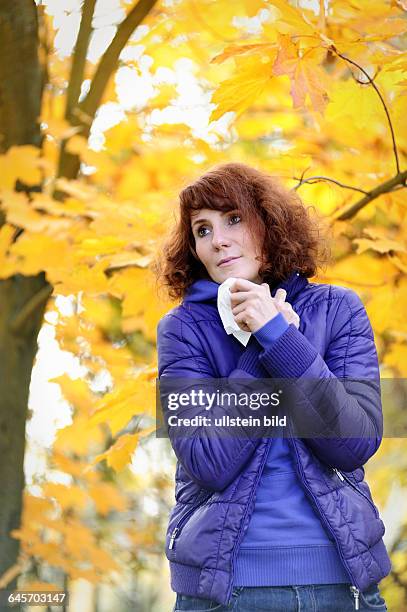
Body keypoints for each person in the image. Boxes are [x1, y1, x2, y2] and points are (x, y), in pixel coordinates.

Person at [154, 162, 391, 611]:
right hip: (225, 591)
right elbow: (209, 461)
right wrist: (266, 343)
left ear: (270, 222)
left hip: (339, 585)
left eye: (234, 219)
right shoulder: (183, 330)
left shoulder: (338, 310)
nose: (218, 239)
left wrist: (283, 339)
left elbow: (353, 442)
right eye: (202, 230)